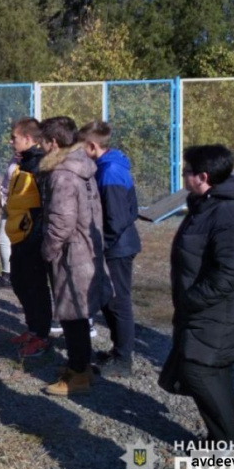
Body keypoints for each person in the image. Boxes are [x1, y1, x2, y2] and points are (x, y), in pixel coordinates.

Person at [165, 144, 234, 444]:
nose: (182, 176)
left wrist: (192, 300)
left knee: (198, 370)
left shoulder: (231, 213)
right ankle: (221, 439)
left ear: (203, 176)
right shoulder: (206, 203)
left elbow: (230, 272)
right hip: (207, 308)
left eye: (186, 171)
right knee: (210, 369)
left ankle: (230, 445)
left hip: (219, 311)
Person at [39, 117, 112, 396]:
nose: (42, 147)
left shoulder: (63, 174)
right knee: (77, 315)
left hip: (72, 255)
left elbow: (61, 222)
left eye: (44, 142)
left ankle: (79, 375)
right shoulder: (83, 167)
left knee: (73, 316)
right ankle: (78, 365)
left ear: (54, 143)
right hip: (85, 250)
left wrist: (47, 251)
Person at [79, 121, 142, 378]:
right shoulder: (105, 166)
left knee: (119, 302)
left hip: (117, 247)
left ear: (93, 146)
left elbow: (116, 219)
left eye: (81, 147)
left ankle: (124, 359)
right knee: (109, 299)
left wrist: (99, 246)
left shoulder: (111, 171)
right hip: (113, 245)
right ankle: (118, 350)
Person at [4, 117, 53, 357]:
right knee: (19, 282)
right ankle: (32, 328)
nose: (11, 142)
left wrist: (39, 233)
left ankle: (41, 336)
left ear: (28, 138)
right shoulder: (24, 162)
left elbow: (44, 204)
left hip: (33, 238)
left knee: (35, 287)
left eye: (14, 138)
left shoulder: (40, 165)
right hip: (19, 236)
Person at [0, 143, 18, 290]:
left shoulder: (26, 159)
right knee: (3, 238)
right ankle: (7, 275)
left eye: (13, 138)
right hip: (8, 204)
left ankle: (12, 275)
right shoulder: (15, 157)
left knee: (11, 239)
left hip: (17, 205)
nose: (10, 142)